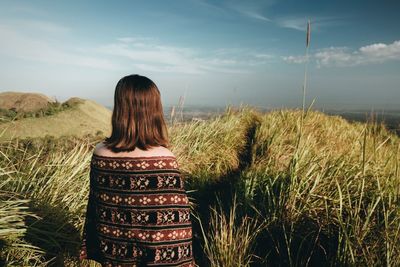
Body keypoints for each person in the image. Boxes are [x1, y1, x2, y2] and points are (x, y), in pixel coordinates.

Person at [79, 74, 195, 267]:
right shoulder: (164, 158)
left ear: (120, 108)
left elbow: (96, 210)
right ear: (154, 110)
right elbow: (176, 224)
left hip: (113, 255)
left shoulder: (100, 153)